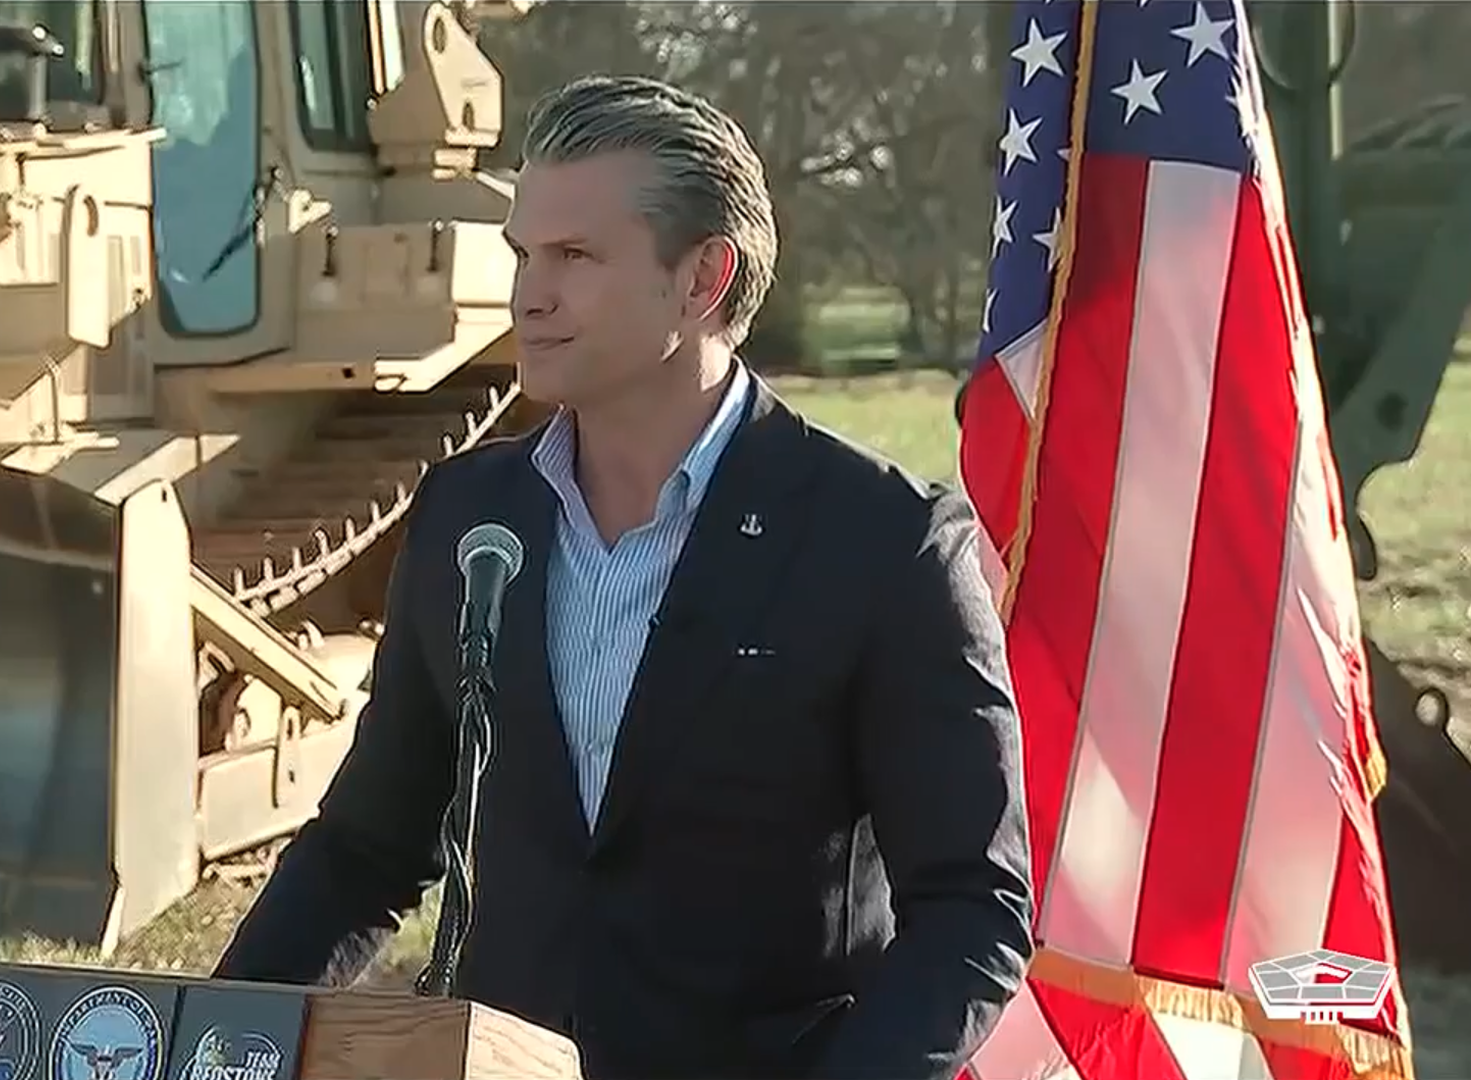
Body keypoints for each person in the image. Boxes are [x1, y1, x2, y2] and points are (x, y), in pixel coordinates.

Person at [213, 74, 1035, 1080]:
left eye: (575, 256)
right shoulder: (467, 518)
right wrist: (210, 1044)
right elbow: (364, 852)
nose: (529, 294)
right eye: (524, 253)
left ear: (701, 280)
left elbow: (972, 911)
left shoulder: (888, 544)